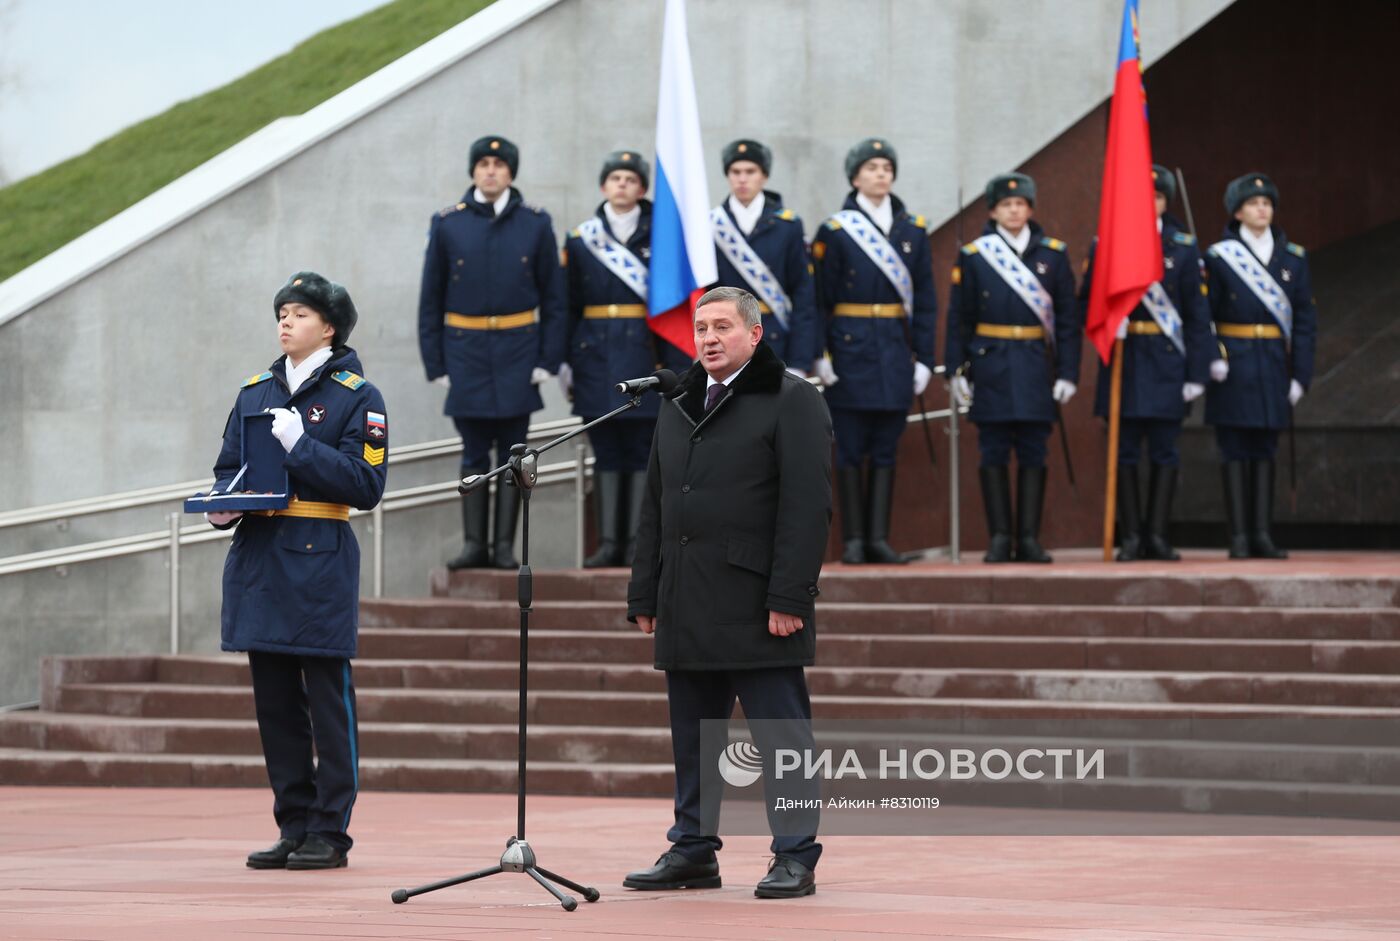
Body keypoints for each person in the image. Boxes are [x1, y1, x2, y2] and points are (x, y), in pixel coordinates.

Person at [624, 287, 832, 899]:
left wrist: (791, 597)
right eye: (701, 328)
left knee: (780, 737)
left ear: (754, 334)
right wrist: (645, 591)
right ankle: (692, 850)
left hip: (757, 601)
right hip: (687, 595)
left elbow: (807, 507)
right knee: (694, 733)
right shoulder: (679, 400)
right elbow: (657, 503)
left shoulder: (791, 398)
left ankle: (796, 852)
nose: (709, 338)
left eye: (722, 327)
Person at [206, 271, 388, 870]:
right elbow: (229, 466)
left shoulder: (357, 395)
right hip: (261, 556)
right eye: (282, 312)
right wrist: (222, 504)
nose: (286, 321)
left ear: (329, 327)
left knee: (328, 704)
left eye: (301, 314)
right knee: (275, 704)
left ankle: (329, 831)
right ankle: (292, 823)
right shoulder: (255, 391)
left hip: (318, 557)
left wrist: (300, 445)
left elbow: (365, 486)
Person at [418, 134, 566, 570]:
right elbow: (431, 297)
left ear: (511, 172)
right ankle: (473, 545)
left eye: (499, 165)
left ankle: (504, 547)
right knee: (472, 451)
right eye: (482, 163)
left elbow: (554, 299)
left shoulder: (536, 223)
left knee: (516, 453)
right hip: (465, 352)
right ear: (473, 171)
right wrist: (436, 363)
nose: (490, 171)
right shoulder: (448, 223)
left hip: (519, 351)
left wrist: (547, 359)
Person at [811, 138, 937, 564]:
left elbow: (925, 300)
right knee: (849, 447)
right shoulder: (835, 230)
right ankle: (852, 541)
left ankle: (878, 539)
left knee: (886, 446)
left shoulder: (912, 229)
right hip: (849, 350)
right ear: (854, 176)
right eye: (871, 167)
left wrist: (922, 356)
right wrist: (820, 353)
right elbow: (819, 299)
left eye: (886, 166)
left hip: (895, 352)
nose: (881, 173)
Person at [562, 150, 691, 567]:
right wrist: (563, 360)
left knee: (641, 451)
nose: (622, 185)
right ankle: (608, 543)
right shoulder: (582, 239)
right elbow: (567, 305)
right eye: (615, 177)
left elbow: (673, 306)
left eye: (631, 178)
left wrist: (677, 368)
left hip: (644, 352)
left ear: (642, 188)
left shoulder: (663, 236)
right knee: (605, 449)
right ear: (604, 186)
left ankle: (637, 541)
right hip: (595, 354)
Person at [1079, 164, 1213, 560]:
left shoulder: (1183, 247)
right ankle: (1132, 536)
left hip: (1169, 363)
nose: (1149, 204)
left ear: (1165, 202)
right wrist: (1108, 319)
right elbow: (1086, 298)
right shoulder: (1107, 244)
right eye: (1143, 197)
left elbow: (1196, 312)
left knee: (1165, 452)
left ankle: (1157, 535)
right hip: (1127, 359)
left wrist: (1197, 371)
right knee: (1123, 453)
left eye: (1156, 197)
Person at [944, 172, 1079, 563]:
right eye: (1006, 205)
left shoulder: (1053, 254)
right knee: (994, 450)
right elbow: (959, 319)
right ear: (993, 211)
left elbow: (1068, 319)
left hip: (1038, 365)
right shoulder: (975, 255)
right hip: (992, 365)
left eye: (1020, 204)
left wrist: (1069, 373)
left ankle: (1030, 538)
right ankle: (1000, 536)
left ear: (1031, 208)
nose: (1014, 210)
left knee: (1035, 450)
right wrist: (956, 370)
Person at [1203, 173, 1316, 558]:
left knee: (1266, 448)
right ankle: (1238, 536)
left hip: (1272, 364)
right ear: (1237, 212)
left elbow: (1304, 322)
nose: (1261, 209)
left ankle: (1262, 534)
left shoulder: (1293, 258)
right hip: (1233, 364)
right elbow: (1204, 315)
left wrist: (1300, 375)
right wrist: (1212, 357)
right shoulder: (1218, 258)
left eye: (1267, 203)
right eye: (1253, 204)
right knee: (1234, 448)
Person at [708, 138, 818, 376]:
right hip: (723, 341)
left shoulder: (788, 225)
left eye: (751, 171)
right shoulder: (710, 226)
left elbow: (803, 295)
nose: (742, 179)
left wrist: (800, 361)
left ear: (764, 176)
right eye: (735, 172)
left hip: (774, 338)